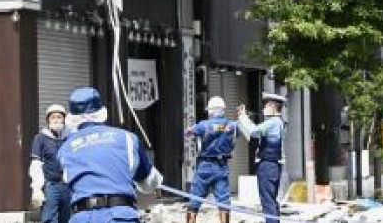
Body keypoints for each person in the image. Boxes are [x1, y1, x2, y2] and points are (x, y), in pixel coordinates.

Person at [58, 87, 163, 223]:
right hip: (120, 216)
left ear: (71, 117)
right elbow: (148, 182)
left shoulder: (65, 148)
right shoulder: (128, 139)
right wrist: (157, 181)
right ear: (101, 112)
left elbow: (68, 181)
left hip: (82, 217)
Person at [185, 96, 238, 223]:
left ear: (210, 111)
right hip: (221, 166)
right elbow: (242, 132)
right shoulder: (231, 126)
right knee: (224, 200)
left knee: (195, 199)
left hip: (204, 166)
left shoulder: (203, 125)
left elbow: (188, 133)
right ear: (223, 110)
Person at [237, 93, 286, 223]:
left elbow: (253, 131)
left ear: (272, 106)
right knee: (271, 199)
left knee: (267, 200)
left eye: (266, 105)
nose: (264, 107)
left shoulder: (272, 123)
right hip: (274, 166)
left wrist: (243, 117)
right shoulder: (278, 122)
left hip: (268, 165)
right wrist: (247, 119)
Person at [29, 104, 71, 223]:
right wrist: (36, 188)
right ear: (48, 120)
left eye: (59, 117)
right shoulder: (40, 138)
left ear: (64, 119)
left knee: (67, 219)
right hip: (50, 186)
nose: (56, 120)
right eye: (53, 117)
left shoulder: (70, 138)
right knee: (49, 218)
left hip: (68, 186)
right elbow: (36, 164)